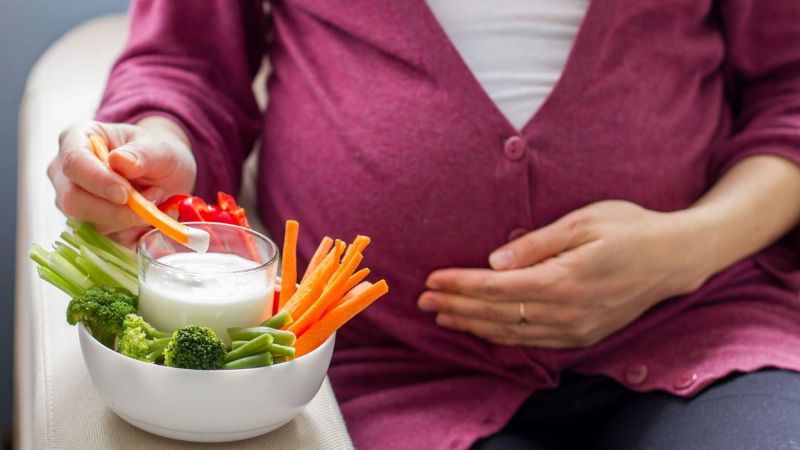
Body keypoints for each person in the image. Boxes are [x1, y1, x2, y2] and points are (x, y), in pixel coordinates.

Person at [48, 1, 800, 448]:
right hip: (390, 369)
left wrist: (687, 250)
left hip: (704, 325)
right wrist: (161, 147)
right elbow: (188, 67)